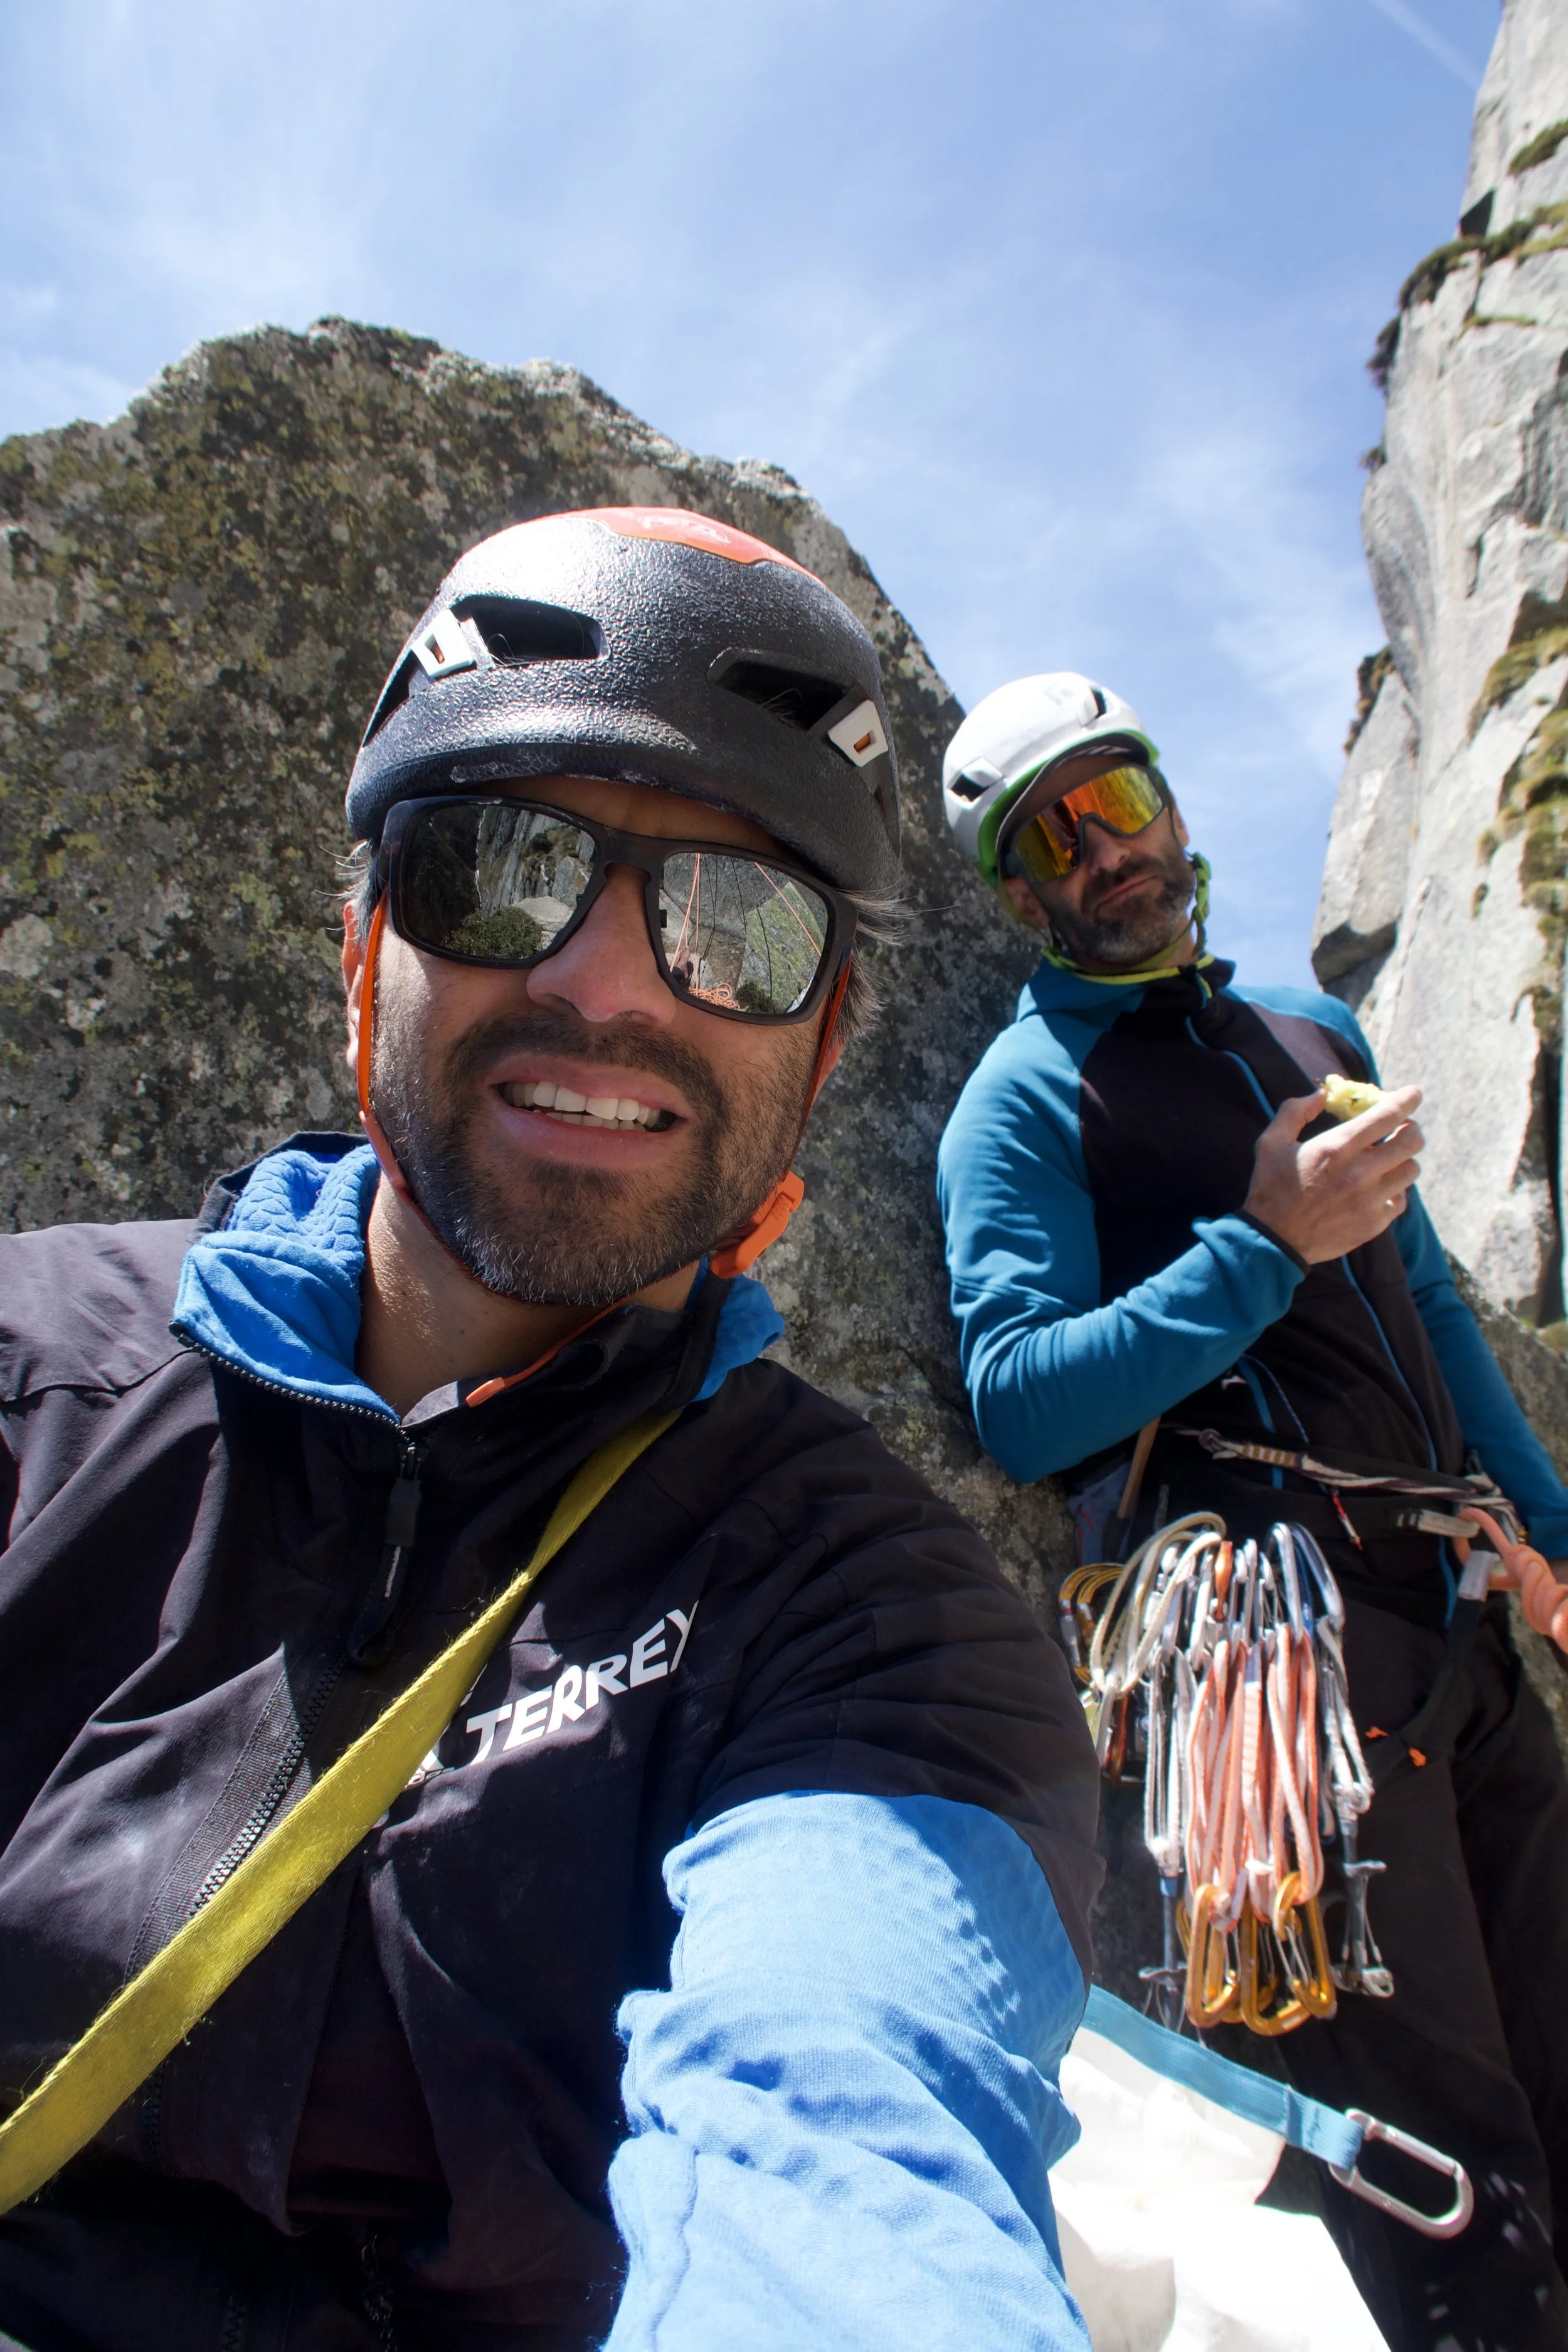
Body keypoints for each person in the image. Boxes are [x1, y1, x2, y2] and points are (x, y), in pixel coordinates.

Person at [0, 516, 1101, 2352]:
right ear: (363, 946)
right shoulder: (36, 1379)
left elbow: (853, 2135)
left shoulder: (871, 1625)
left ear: (823, 1046)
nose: (610, 982)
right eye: (500, 867)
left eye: (739, 924)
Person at [935, 670, 1568, 2352]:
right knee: (1450, 2170)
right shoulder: (1028, 1095)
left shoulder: (1311, 1035)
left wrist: (1556, 1544)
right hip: (1283, 1670)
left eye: (1119, 800)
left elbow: (1430, 1305)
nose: (1104, 851)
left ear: (1169, 803)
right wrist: (1265, 1242)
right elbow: (1021, 1400)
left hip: (1456, 1629)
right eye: (1052, 838)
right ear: (1020, 896)